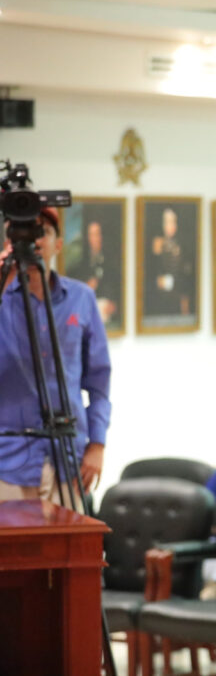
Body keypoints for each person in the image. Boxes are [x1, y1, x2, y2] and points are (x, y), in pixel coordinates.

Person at [0, 208, 111, 503]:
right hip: (8, 463)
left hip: (69, 460)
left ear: (58, 244)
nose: (33, 241)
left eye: (42, 232)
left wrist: (97, 444)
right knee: (11, 551)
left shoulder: (81, 298)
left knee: (70, 550)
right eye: (22, 233)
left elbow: (99, 383)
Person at [64, 219, 119, 325]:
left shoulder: (111, 261)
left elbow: (117, 288)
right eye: (92, 235)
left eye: (98, 234)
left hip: (106, 313)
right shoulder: (80, 263)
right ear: (88, 237)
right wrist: (86, 287)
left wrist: (115, 305)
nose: (96, 239)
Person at [149, 207, 194, 316]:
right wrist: (156, 255)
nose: (171, 226)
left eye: (173, 221)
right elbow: (152, 273)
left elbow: (187, 274)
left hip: (178, 296)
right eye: (167, 222)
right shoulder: (156, 244)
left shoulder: (183, 245)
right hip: (160, 300)